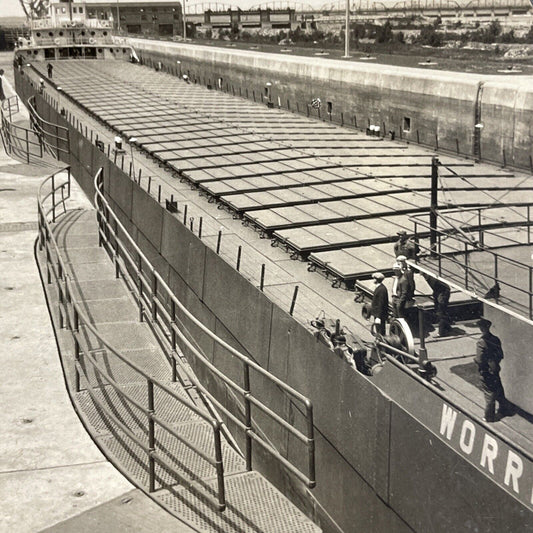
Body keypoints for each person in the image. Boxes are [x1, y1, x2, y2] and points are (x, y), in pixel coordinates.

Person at [474, 317, 513, 422]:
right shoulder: (496, 339)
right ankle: (505, 409)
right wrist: (494, 364)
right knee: (498, 389)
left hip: (486, 371)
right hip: (495, 369)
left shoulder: (481, 342)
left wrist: (478, 363)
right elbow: (500, 355)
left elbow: (479, 359)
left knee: (489, 392)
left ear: (481, 328)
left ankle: (489, 416)